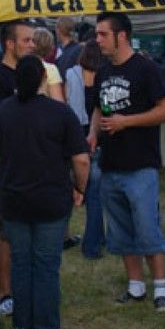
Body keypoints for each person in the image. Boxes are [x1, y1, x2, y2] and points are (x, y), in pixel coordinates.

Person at [0, 55, 90, 329]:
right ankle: (46, 327)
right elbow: (81, 159)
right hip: (51, 197)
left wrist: (4, 178)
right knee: (46, 263)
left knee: (21, 262)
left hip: (14, 197)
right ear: (44, 79)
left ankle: (23, 324)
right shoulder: (61, 113)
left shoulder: (4, 111)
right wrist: (80, 188)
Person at [88, 11, 165, 312]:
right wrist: (92, 134)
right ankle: (135, 285)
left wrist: (127, 122)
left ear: (122, 36)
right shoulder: (102, 72)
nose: (98, 40)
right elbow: (98, 109)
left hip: (141, 163)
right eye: (97, 34)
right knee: (120, 229)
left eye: (103, 34)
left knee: (147, 227)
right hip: (111, 162)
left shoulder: (147, 69)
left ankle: (161, 288)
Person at [0, 20, 36, 317]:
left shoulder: (35, 74)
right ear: (9, 44)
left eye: (33, 40)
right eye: (26, 40)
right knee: (6, 232)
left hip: (36, 166)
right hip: (8, 166)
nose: (32, 45)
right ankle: (5, 292)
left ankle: (29, 285)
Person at [65, 40, 106, 259]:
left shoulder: (71, 75)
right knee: (96, 194)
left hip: (77, 135)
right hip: (98, 135)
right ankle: (93, 244)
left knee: (85, 190)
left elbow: (67, 104)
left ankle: (95, 239)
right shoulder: (104, 77)